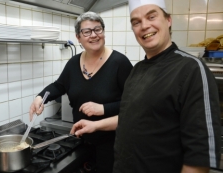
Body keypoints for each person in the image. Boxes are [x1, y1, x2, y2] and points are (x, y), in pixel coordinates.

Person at [70, 0, 221, 172]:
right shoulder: (137, 71)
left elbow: (199, 157)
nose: (144, 26)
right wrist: (95, 125)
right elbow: (131, 118)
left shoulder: (191, 69)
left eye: (151, 17)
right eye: (136, 22)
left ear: (168, 20)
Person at [29, 11, 133, 173]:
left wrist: (103, 109)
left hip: (113, 144)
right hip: (80, 139)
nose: (94, 35)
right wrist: (40, 97)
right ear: (78, 37)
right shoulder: (73, 63)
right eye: (87, 31)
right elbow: (59, 86)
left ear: (103, 32)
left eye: (98, 29)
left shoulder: (120, 63)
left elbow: (134, 104)